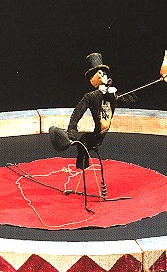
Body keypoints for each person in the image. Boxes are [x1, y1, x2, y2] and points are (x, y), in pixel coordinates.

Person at [49, 53, 118, 212]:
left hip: (100, 135)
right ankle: (81, 164)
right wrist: (71, 131)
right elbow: (77, 113)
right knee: (84, 144)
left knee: (86, 145)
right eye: (100, 74)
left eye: (104, 73)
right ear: (94, 79)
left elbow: (129, 98)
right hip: (95, 137)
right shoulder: (91, 97)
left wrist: (115, 95)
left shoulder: (111, 94)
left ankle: (83, 164)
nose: (103, 76)